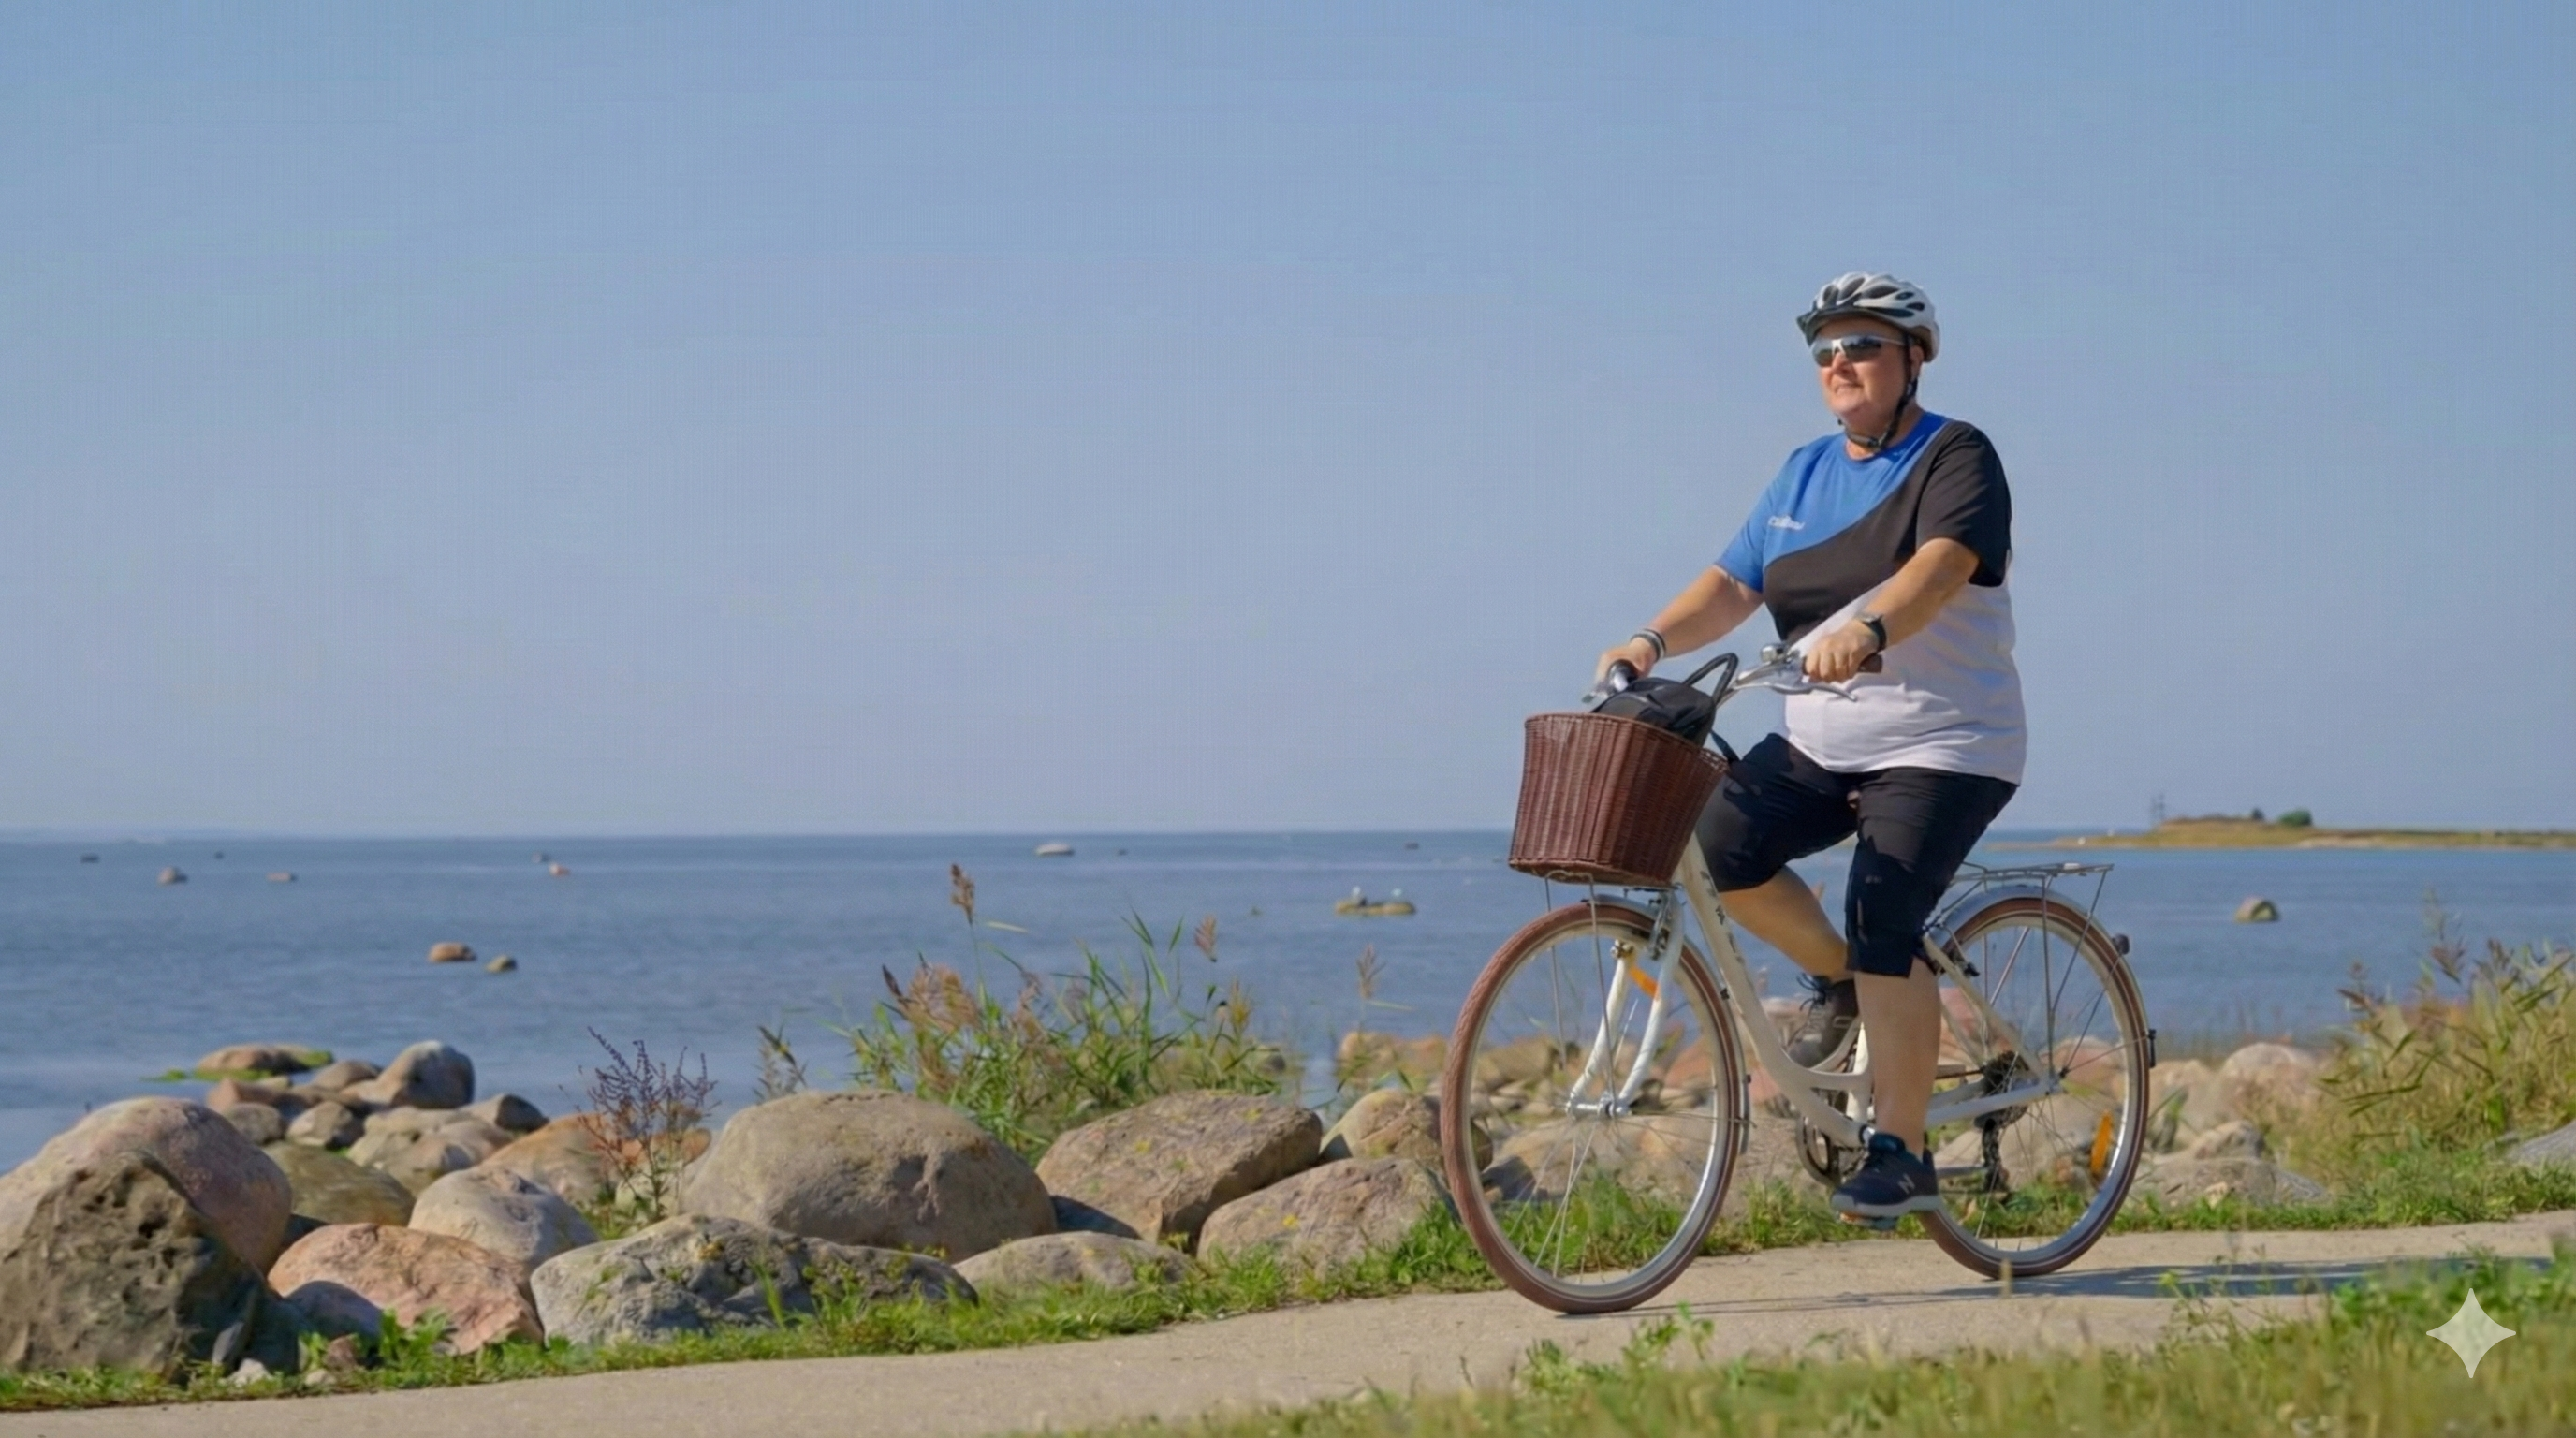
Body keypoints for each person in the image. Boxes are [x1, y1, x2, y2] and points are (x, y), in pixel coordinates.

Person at [1595, 273, 2024, 1223]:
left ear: (1914, 359)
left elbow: (1939, 570)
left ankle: (1902, 1148)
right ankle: (1840, 982)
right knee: (1710, 845)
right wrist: (1649, 642)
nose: (1840, 364)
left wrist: (1867, 629)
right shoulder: (1799, 472)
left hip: (1944, 742)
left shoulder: (1956, 455)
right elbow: (1731, 583)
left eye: (1862, 345)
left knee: (1884, 908)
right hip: (1821, 741)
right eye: (1825, 350)